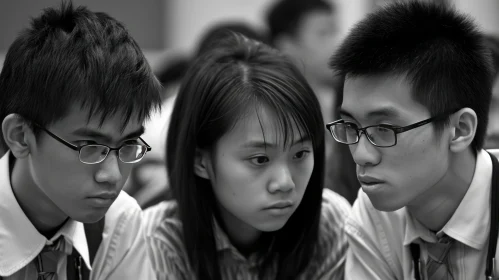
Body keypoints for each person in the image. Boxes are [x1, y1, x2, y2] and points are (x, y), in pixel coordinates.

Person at [143, 33, 351, 280]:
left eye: (300, 153)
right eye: (260, 159)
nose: (285, 183)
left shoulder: (329, 223)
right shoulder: (159, 240)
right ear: (200, 160)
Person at [328, 1, 496, 279]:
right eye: (351, 125)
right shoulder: (375, 215)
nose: (360, 155)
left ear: (460, 130)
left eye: (384, 128)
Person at [0, 2, 161, 279]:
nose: (111, 176)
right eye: (90, 147)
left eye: (127, 145)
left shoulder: (118, 222)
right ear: (20, 136)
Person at [266, 0, 359, 204]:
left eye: (336, 31)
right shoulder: (273, 116)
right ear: (286, 46)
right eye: (323, 33)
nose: (339, 42)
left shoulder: (341, 105)